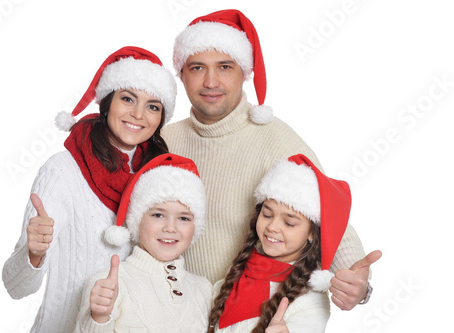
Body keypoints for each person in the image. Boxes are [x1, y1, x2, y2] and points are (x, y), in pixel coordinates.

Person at [162, 9, 376, 309]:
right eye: (197, 67)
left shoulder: (275, 140)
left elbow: (328, 214)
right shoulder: (165, 141)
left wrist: (357, 284)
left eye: (225, 66)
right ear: (181, 73)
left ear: (245, 72)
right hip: (180, 311)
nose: (211, 81)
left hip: (253, 315)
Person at [2, 46, 177, 333]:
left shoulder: (160, 177)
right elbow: (15, 287)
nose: (138, 114)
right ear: (107, 102)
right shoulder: (62, 171)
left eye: (153, 106)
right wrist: (33, 253)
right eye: (128, 98)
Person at [208, 154, 382, 332]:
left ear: (312, 234)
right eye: (267, 214)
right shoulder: (237, 271)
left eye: (289, 223)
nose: (272, 227)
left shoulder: (310, 301)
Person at [74, 153, 212, 332]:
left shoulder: (204, 289)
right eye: (158, 215)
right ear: (137, 220)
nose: (171, 228)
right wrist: (98, 318)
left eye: (184, 218)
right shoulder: (110, 284)